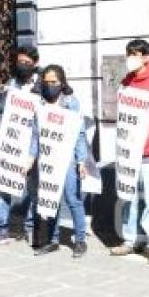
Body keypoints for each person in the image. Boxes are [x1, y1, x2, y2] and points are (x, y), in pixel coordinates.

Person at [110, 39, 149, 264]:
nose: (130, 58)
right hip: (128, 152)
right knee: (128, 196)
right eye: (128, 53)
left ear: (147, 57)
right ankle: (129, 240)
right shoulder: (126, 81)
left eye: (135, 54)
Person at [0, 46, 40, 248]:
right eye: (19, 62)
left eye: (26, 62)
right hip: (8, 145)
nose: (21, 65)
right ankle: (1, 229)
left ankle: (31, 228)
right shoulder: (11, 84)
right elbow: (3, 112)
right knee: (1, 189)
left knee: (32, 190)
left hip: (30, 146)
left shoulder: (40, 86)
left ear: (35, 64)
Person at [29, 65, 88, 257]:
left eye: (53, 81)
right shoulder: (40, 104)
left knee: (73, 200)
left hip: (69, 160)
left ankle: (80, 240)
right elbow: (36, 135)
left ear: (62, 82)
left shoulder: (71, 103)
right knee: (50, 199)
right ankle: (53, 240)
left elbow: (79, 134)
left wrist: (81, 161)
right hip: (48, 160)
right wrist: (31, 157)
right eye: (46, 82)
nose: (50, 85)